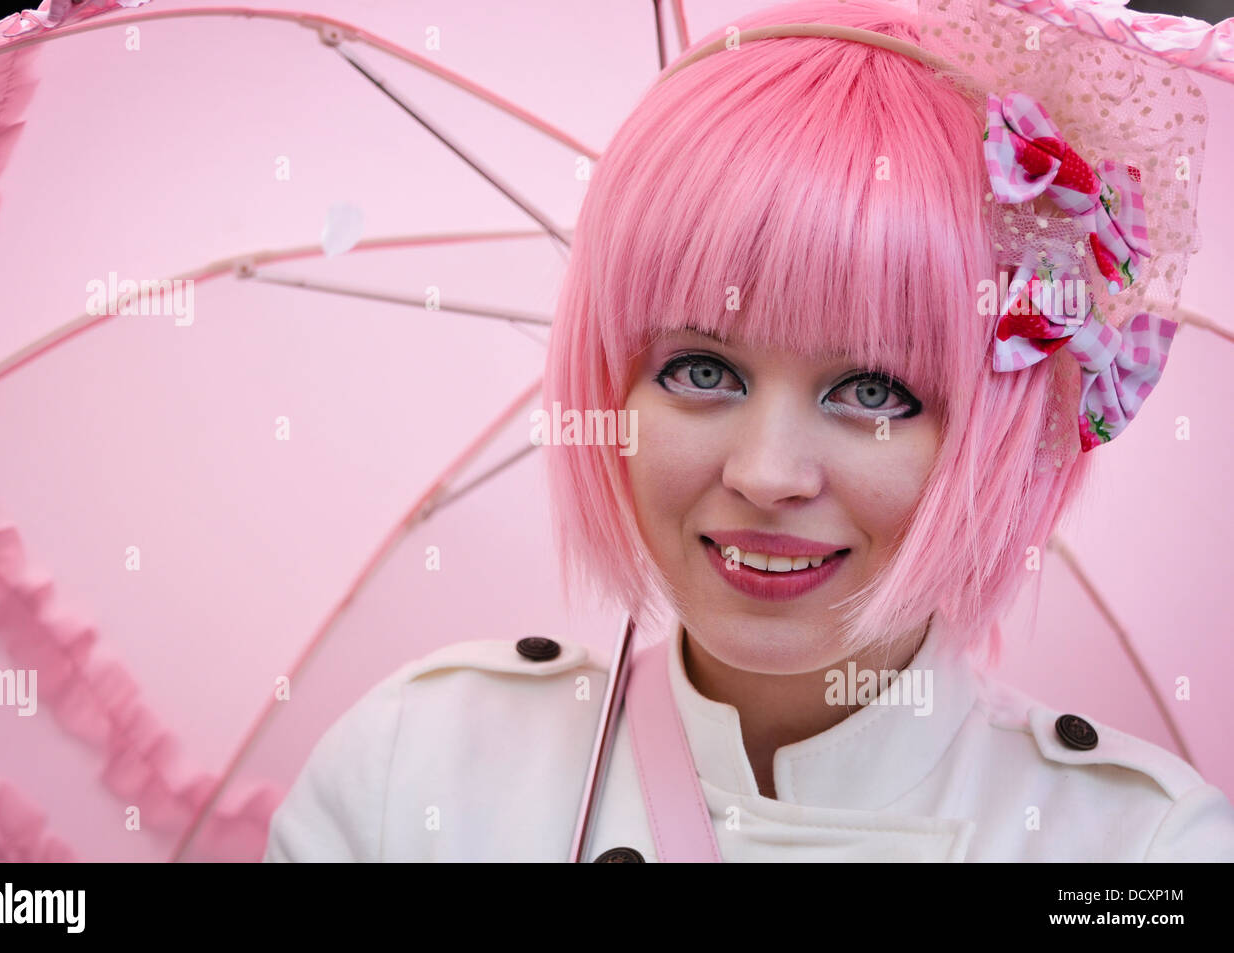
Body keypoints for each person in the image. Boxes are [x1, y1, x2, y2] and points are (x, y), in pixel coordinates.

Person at [264, 0, 1234, 862]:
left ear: (1000, 428)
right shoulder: (411, 774)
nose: (767, 474)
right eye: (700, 371)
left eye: (872, 389)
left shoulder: (1139, 849)